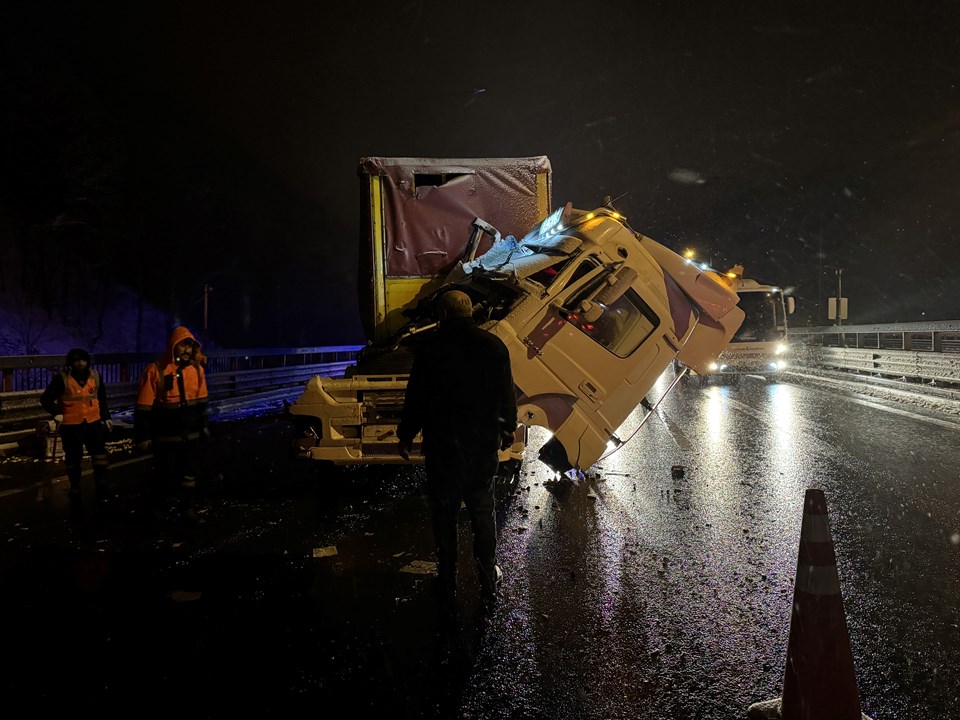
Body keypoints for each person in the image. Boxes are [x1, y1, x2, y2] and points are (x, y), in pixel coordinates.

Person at [396, 290, 518, 623]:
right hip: (480, 447)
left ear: (443, 315)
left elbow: (416, 397)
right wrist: (508, 430)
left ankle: (446, 577)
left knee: (444, 513)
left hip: (443, 447)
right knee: (482, 510)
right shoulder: (493, 347)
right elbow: (506, 394)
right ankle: (486, 578)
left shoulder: (430, 350)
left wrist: (405, 435)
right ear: (470, 313)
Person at [135, 326, 210, 522]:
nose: (186, 351)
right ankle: (158, 508)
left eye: (190, 347)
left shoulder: (197, 370)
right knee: (163, 474)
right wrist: (143, 436)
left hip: (190, 435)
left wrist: (203, 426)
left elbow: (202, 402)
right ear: (173, 346)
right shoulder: (155, 370)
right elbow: (143, 406)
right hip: (165, 435)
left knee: (189, 473)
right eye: (183, 346)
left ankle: (187, 508)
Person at [39, 347, 113, 507]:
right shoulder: (62, 379)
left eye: (83, 360)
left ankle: (101, 482)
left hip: (93, 422)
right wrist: (56, 412)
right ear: (71, 363)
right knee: (73, 458)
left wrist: (106, 417)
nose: (81, 364)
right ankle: (75, 486)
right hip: (71, 425)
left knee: (99, 455)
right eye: (77, 361)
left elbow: (102, 398)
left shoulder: (95, 377)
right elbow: (45, 399)